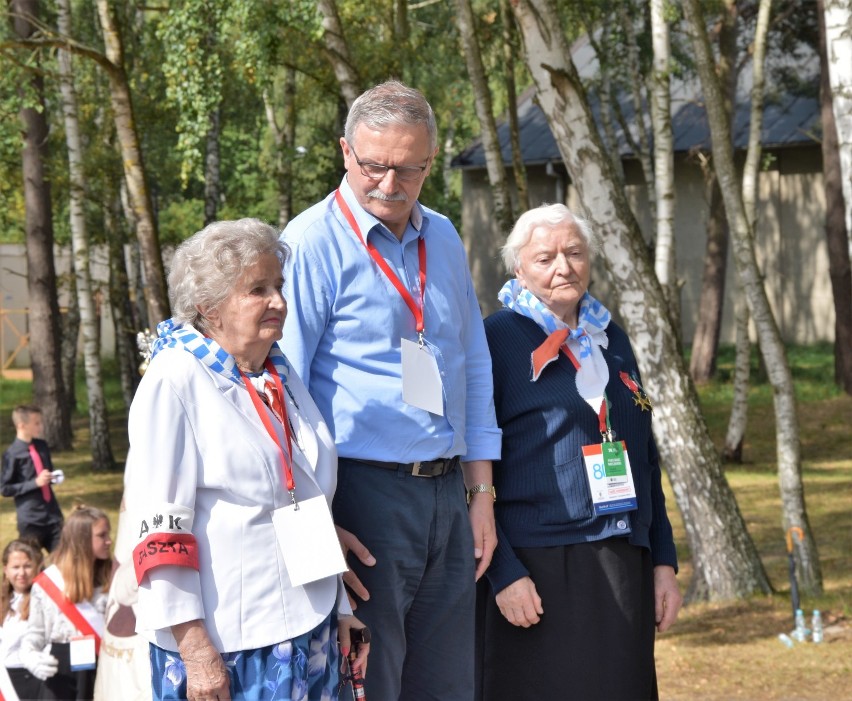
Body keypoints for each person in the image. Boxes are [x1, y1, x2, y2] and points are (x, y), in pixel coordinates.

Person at [281, 80, 501, 701]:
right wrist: (314, 530)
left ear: (430, 162)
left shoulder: (446, 237)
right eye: (374, 164)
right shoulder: (310, 244)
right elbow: (280, 400)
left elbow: (473, 367)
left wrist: (481, 493)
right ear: (345, 152)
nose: (388, 183)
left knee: (448, 684)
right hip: (357, 495)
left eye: (408, 168)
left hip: (447, 494)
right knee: (368, 683)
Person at [122, 218, 368, 701]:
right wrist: (194, 650)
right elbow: (159, 529)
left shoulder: (278, 372)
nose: (278, 301)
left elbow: (305, 497)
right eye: (257, 290)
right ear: (208, 308)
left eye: (278, 285)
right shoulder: (174, 381)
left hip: (305, 627)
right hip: (226, 646)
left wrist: (338, 607)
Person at [475, 203, 683, 700]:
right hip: (537, 567)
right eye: (545, 257)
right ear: (518, 268)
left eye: (574, 252)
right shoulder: (495, 339)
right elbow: (471, 462)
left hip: (622, 559)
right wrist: (504, 573)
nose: (563, 266)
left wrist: (662, 563)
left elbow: (644, 459)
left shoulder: (611, 337)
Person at [21, 504, 112, 700]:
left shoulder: (113, 578)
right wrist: (30, 655)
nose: (109, 541)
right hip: (61, 672)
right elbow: (35, 633)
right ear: (82, 540)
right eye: (102, 535)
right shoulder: (49, 583)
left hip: (106, 668)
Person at [1, 405, 65, 552]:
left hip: (53, 515)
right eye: (36, 423)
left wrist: (53, 477)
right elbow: (5, 489)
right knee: (33, 565)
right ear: (21, 425)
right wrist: (35, 483)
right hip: (31, 519)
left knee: (63, 562)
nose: (41, 426)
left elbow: (47, 472)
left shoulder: (42, 446)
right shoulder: (11, 455)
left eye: (41, 422)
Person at [1, 539, 48, 700]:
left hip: (39, 681)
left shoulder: (47, 600)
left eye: (27, 566)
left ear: (37, 568)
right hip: (7, 680)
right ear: (5, 570)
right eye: (15, 567)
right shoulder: (2, 602)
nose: (21, 573)